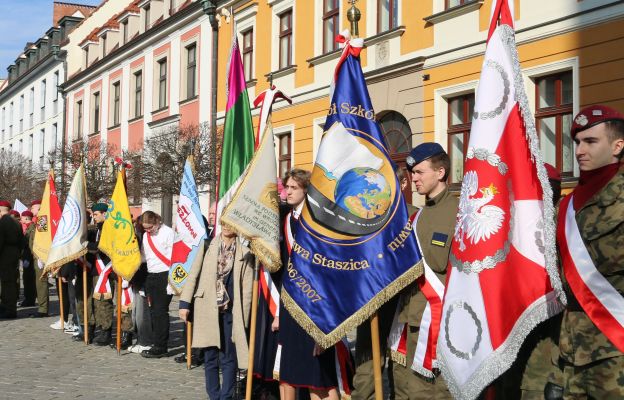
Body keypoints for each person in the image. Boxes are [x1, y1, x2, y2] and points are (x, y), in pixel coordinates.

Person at [556, 105, 624, 399]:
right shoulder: (565, 207)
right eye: (578, 142)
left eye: (591, 141)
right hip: (571, 353)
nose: (580, 150)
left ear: (617, 146)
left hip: (616, 352)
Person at [392, 143, 458, 400]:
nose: (414, 178)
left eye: (419, 172)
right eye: (413, 173)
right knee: (414, 392)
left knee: (442, 394)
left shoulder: (458, 211)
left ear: (440, 172)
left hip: (444, 324)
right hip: (415, 319)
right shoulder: (417, 216)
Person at [351, 165, 417, 400]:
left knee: (402, 372)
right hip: (371, 302)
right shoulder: (366, 221)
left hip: (403, 304)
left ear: (403, 185)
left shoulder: (414, 216)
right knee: (367, 372)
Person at [276, 169, 341, 400]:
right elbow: (284, 266)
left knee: (319, 376)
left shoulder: (318, 220)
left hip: (315, 302)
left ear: (306, 189)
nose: (288, 191)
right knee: (290, 372)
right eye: (287, 187)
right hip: (291, 302)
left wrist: (327, 314)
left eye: (294, 187)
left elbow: (329, 267)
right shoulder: (287, 219)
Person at [179, 223, 254, 399]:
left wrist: (244, 316)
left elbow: (248, 289)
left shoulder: (245, 252)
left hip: (231, 311)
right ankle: (213, 395)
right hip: (207, 308)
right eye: (223, 223)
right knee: (210, 356)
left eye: (231, 223)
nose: (226, 227)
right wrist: (184, 304)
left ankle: (226, 396)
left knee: (229, 357)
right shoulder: (207, 246)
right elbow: (193, 274)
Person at [140, 211, 175, 358]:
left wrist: (171, 281)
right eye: (145, 228)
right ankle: (156, 342)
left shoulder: (168, 233)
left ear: (157, 222)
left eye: (150, 228)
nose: (148, 231)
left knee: (161, 311)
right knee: (153, 311)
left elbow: (174, 256)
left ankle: (161, 346)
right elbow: (145, 256)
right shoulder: (145, 235)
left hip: (164, 274)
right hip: (151, 274)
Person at [0, 200, 25, 319]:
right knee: (11, 281)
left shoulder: (3, 222)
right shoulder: (16, 222)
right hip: (14, 253)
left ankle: (8, 308)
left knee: (6, 283)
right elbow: (22, 240)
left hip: (5, 254)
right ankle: (9, 307)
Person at [18, 210, 37, 308]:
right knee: (27, 279)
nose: (20, 219)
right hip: (26, 256)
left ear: (26, 218)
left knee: (29, 280)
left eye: (21, 217)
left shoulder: (32, 228)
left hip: (29, 257)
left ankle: (30, 299)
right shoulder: (29, 227)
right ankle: (28, 299)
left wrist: (28, 259)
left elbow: (31, 245)